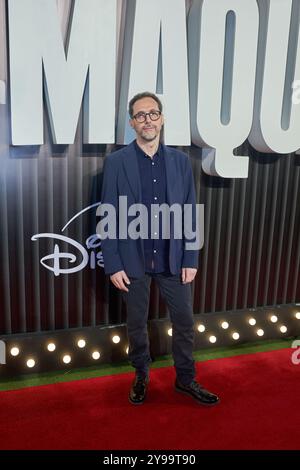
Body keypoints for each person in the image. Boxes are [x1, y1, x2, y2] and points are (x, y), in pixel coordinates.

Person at [100, 91, 219, 406]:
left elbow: (190, 210)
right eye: (140, 115)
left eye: (153, 113)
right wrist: (112, 264)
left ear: (162, 118)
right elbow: (107, 213)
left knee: (184, 322)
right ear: (133, 123)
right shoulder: (115, 163)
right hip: (132, 260)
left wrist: (191, 255)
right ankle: (141, 375)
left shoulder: (180, 162)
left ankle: (186, 379)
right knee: (136, 324)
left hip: (173, 258)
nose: (147, 120)